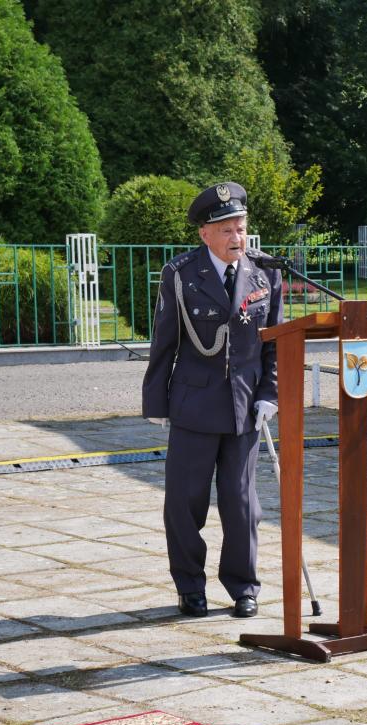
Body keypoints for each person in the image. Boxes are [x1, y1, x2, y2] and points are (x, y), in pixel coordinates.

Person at [142, 181, 282, 618]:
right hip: (193, 405)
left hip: (244, 408)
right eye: (226, 229)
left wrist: (270, 394)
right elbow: (164, 342)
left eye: (240, 227)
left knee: (243, 506)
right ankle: (190, 586)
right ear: (204, 233)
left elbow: (275, 343)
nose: (236, 237)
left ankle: (243, 587)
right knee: (185, 503)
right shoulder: (181, 274)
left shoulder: (265, 272)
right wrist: (157, 403)